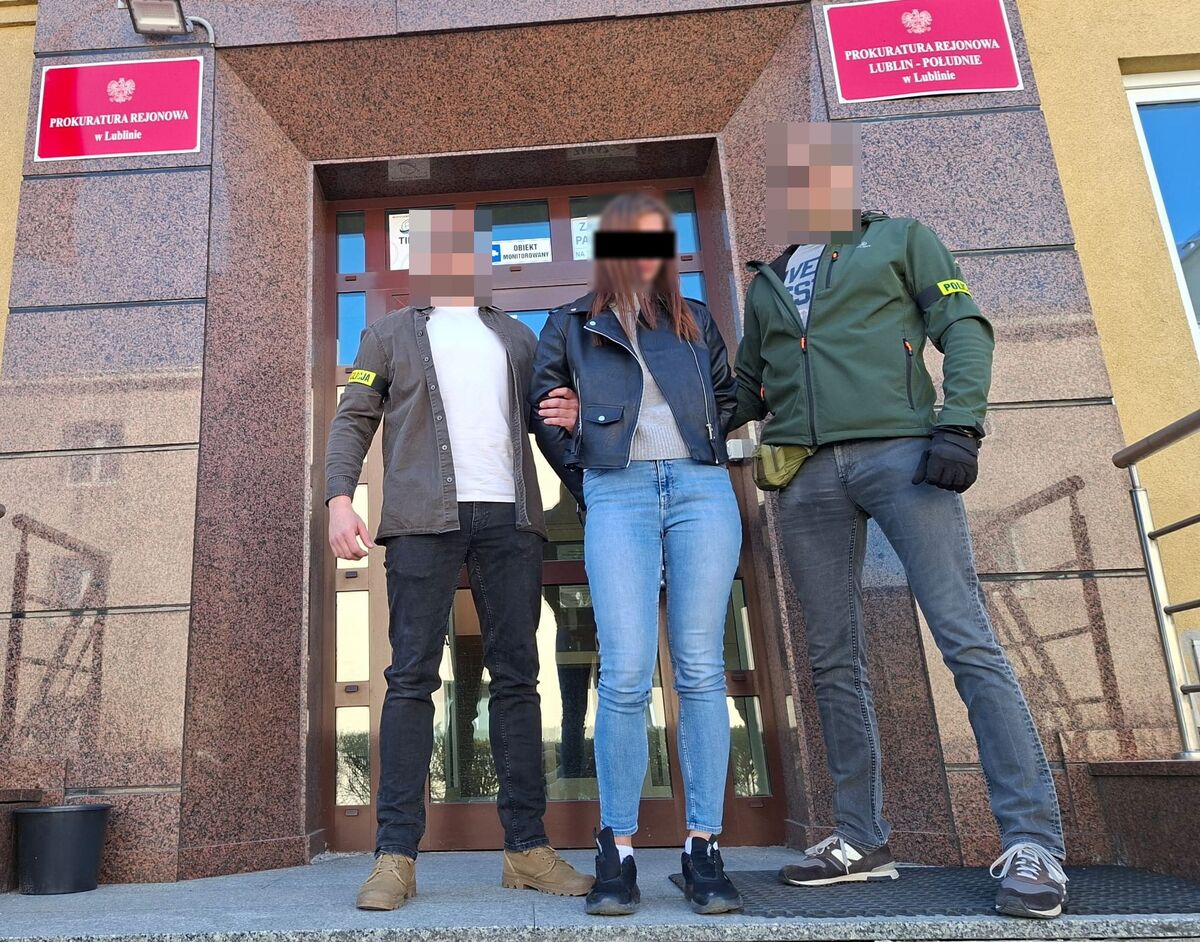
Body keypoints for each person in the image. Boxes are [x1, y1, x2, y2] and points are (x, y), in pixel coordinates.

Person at [732, 121, 1068, 920]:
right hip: (805, 474)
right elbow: (745, 387)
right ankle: (861, 838)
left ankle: (1033, 842)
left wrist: (962, 424)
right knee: (830, 658)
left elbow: (964, 328)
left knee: (966, 638)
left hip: (904, 456)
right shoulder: (767, 281)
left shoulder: (902, 240)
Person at [325, 207, 591, 911]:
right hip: (421, 523)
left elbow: (549, 421)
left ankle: (526, 851)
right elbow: (354, 417)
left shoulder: (517, 336)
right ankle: (395, 857)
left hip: (511, 522)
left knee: (518, 680)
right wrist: (339, 499)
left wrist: (580, 450)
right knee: (410, 680)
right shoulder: (385, 335)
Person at [530, 192, 744, 917]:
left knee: (700, 668)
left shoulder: (694, 319)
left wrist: (704, 443)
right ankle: (616, 849)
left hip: (700, 489)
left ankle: (702, 846)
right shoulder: (570, 324)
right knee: (623, 672)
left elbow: (726, 398)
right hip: (617, 492)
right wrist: (588, 458)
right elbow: (546, 415)